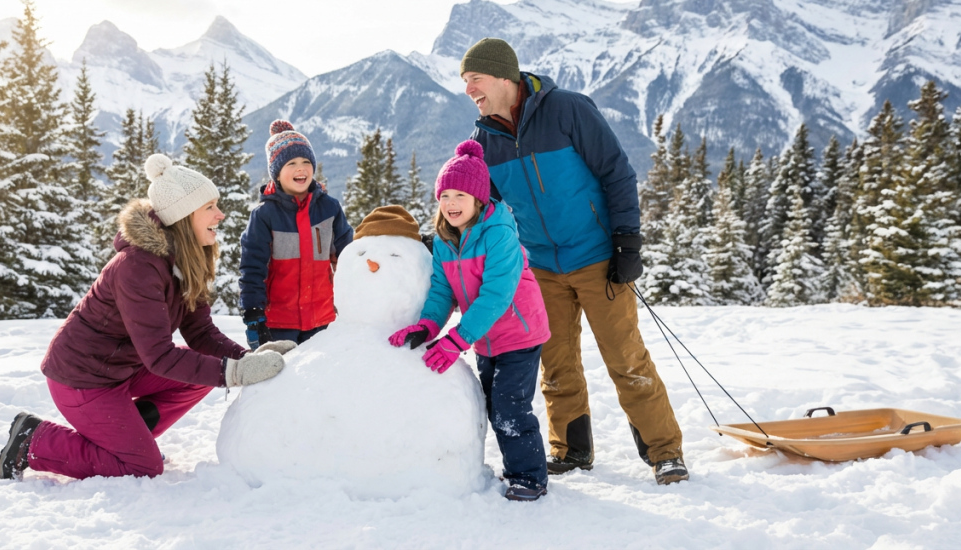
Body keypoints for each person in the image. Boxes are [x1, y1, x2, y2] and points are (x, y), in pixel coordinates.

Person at [460, 37, 689, 485]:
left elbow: (616, 171)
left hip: (597, 258)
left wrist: (627, 243)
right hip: (540, 269)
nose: (469, 89)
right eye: (465, 82)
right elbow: (480, 209)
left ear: (504, 76)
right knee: (556, 363)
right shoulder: (484, 141)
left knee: (626, 358)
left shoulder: (567, 110)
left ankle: (665, 452)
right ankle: (571, 451)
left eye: (476, 79)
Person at [0, 154, 294, 481]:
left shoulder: (186, 260)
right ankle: (33, 440)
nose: (220, 215)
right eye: (209, 207)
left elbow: (200, 333)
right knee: (141, 467)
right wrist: (236, 372)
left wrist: (247, 358)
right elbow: (158, 355)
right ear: (184, 216)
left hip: (124, 367)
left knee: (200, 376)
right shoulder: (137, 267)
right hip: (82, 376)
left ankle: (129, 435)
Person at [388, 140, 552, 502]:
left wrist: (456, 340)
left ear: (479, 199)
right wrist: (429, 326)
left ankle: (529, 476)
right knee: (495, 405)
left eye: (459, 195)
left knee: (511, 406)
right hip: (484, 338)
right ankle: (518, 467)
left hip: (519, 334)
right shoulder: (446, 239)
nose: (450, 204)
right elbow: (442, 292)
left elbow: (496, 296)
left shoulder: (499, 234)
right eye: (444, 195)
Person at [239, 120, 353, 349]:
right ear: (277, 174)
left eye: (306, 161)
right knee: (280, 380)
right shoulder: (265, 215)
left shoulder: (329, 208)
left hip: (322, 319)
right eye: (291, 163)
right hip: (279, 322)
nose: (301, 168)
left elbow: (347, 255)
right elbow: (252, 267)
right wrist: (253, 313)